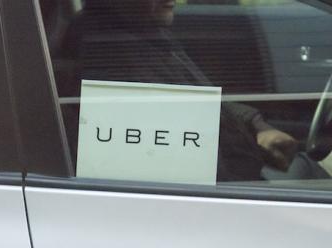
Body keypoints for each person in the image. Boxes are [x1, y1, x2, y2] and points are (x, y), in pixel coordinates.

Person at [54, 0, 326, 181]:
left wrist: (257, 126)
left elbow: (204, 97)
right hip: (223, 193)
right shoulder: (106, 53)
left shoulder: (146, 35)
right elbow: (183, 166)